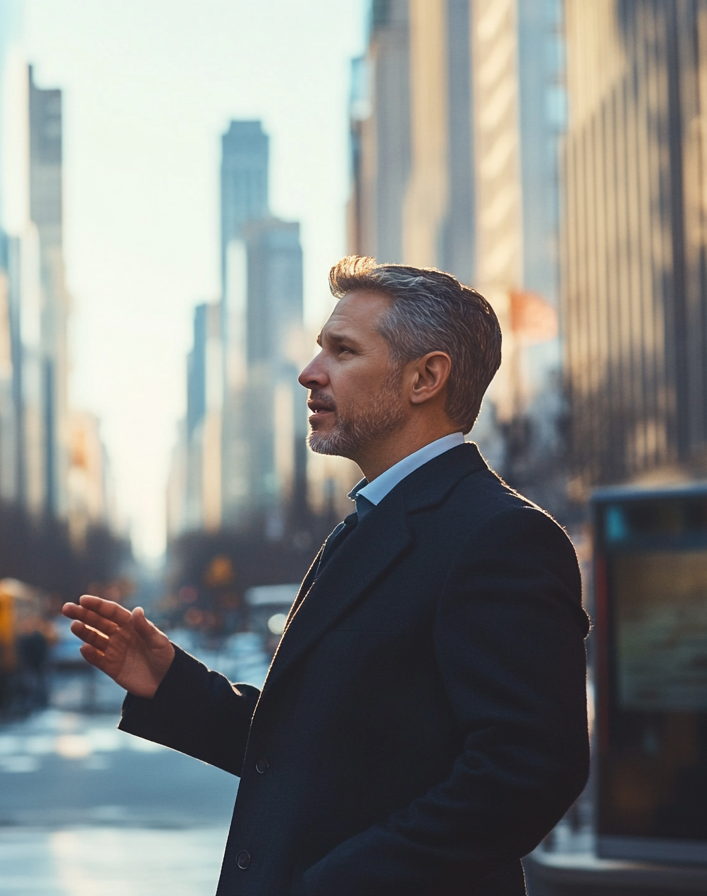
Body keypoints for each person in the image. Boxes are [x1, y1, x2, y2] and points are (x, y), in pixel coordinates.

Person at [63, 258, 590, 895]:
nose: (310, 373)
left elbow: (529, 773)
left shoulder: (500, 538)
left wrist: (339, 884)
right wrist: (172, 683)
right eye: (320, 350)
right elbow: (321, 750)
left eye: (342, 351)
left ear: (426, 376)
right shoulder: (368, 525)